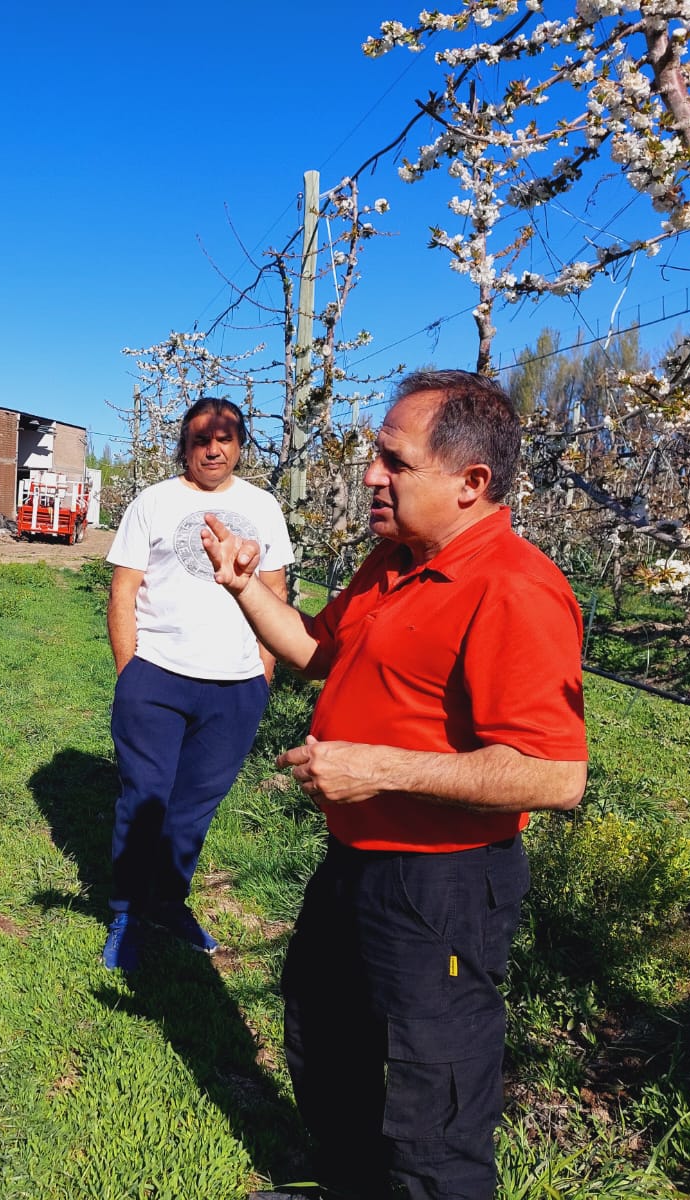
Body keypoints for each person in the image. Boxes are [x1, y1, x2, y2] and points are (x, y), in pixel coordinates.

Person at [201, 370, 587, 1200]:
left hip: (442, 885)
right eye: (376, 456)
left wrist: (377, 767)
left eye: (395, 462)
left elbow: (555, 775)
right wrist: (242, 585)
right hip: (357, 860)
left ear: (470, 482)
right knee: (324, 1039)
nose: (371, 475)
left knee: (431, 1105)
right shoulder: (396, 561)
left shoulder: (513, 588)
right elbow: (315, 652)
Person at [101, 396, 292, 971]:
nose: (213, 449)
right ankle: (127, 911)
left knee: (194, 807)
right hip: (157, 675)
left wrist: (263, 672)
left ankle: (167, 901)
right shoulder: (153, 502)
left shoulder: (263, 507)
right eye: (201, 439)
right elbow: (123, 591)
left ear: (240, 445)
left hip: (236, 686)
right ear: (184, 446)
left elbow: (276, 593)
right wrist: (131, 672)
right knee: (145, 797)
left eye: (225, 438)